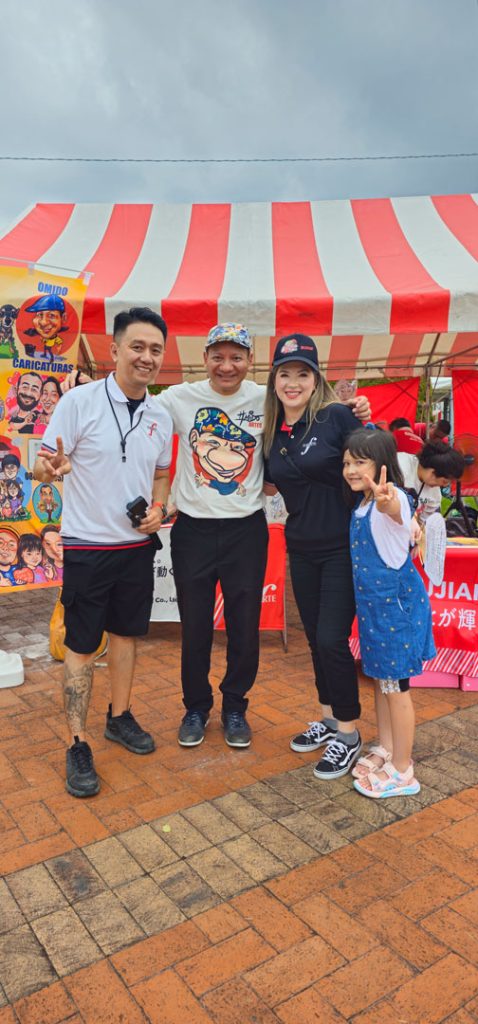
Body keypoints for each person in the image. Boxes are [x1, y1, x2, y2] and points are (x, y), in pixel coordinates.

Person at [63, 323, 370, 752]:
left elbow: (312, 419)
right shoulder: (178, 398)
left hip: (247, 529)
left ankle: (235, 707)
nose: (227, 366)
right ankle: (196, 707)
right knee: (196, 628)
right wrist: (86, 388)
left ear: (250, 362)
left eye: (237, 357)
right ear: (205, 358)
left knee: (245, 627)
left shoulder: (269, 399)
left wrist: (354, 409)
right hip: (193, 530)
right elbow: (133, 400)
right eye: (218, 356)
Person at [34, 307, 172, 798]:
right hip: (88, 547)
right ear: (114, 350)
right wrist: (50, 470)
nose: (147, 357)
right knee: (81, 645)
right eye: (137, 346)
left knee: (128, 636)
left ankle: (120, 716)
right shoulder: (78, 402)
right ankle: (78, 742)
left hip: (136, 547)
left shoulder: (160, 414)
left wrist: (159, 507)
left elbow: (160, 473)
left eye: (155, 349)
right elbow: (42, 466)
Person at [263, 334, 368, 780]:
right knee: (314, 639)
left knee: (331, 639)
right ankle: (328, 719)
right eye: (284, 374)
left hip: (343, 546)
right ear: (273, 381)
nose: (292, 382)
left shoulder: (336, 416)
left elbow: (370, 460)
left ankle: (349, 734)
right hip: (300, 547)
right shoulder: (271, 432)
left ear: (315, 378)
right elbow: (268, 486)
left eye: (302, 374)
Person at [342, 428, 436, 798]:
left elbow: (395, 509)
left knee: (396, 688)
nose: (350, 469)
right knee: (380, 679)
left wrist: (388, 502)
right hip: (374, 612)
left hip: (395, 611)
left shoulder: (389, 496)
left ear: (382, 465)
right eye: (347, 462)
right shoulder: (362, 503)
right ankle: (386, 747)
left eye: (359, 462)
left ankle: (402, 770)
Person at [398, 440, 465, 525]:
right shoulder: (400, 467)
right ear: (432, 473)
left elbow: (422, 524)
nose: (444, 485)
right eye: (445, 481)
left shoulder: (434, 496)